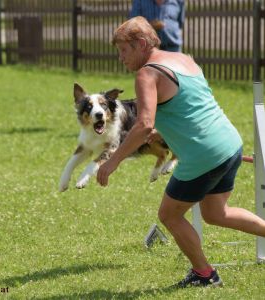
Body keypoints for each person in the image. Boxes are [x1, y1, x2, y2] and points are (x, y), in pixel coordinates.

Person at [97, 16, 265, 288]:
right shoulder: (184, 59)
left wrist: (112, 161)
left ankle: (204, 275)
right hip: (229, 142)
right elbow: (188, 108)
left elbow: (144, 124)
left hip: (204, 155)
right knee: (216, 213)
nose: (120, 58)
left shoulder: (147, 73)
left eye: (123, 50)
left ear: (141, 44)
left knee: (169, 215)